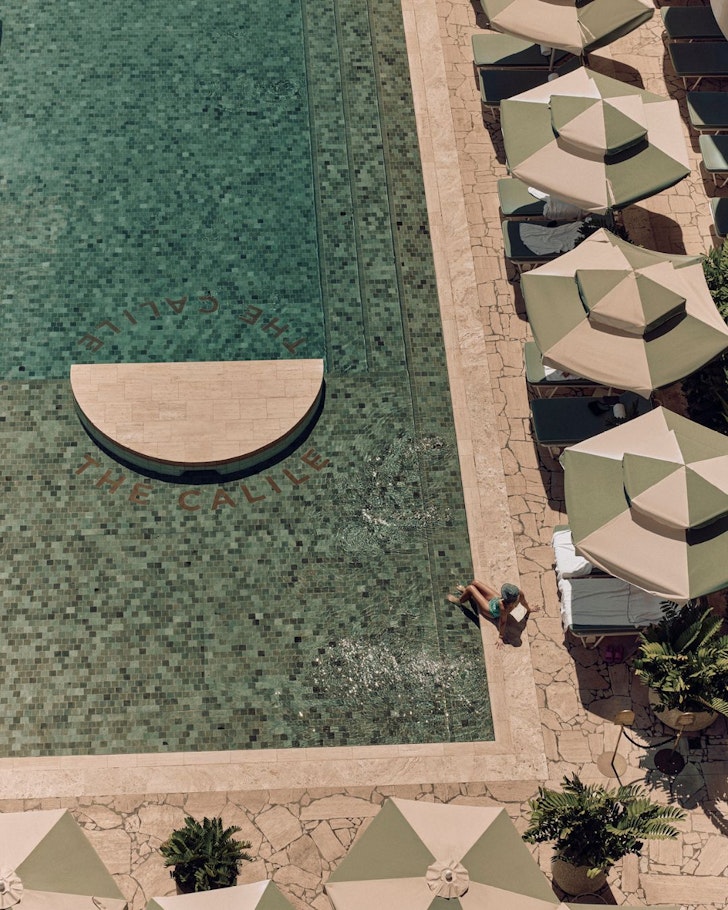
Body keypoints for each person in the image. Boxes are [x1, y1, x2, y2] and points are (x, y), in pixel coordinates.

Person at [447, 580, 538, 649]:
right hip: (495, 601)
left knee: (471, 588)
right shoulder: (519, 594)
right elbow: (524, 603)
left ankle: (459, 601)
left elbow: (503, 622)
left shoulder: (503, 607)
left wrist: (500, 637)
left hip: (490, 610)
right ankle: (467, 592)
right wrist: (529, 610)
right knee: (475, 582)